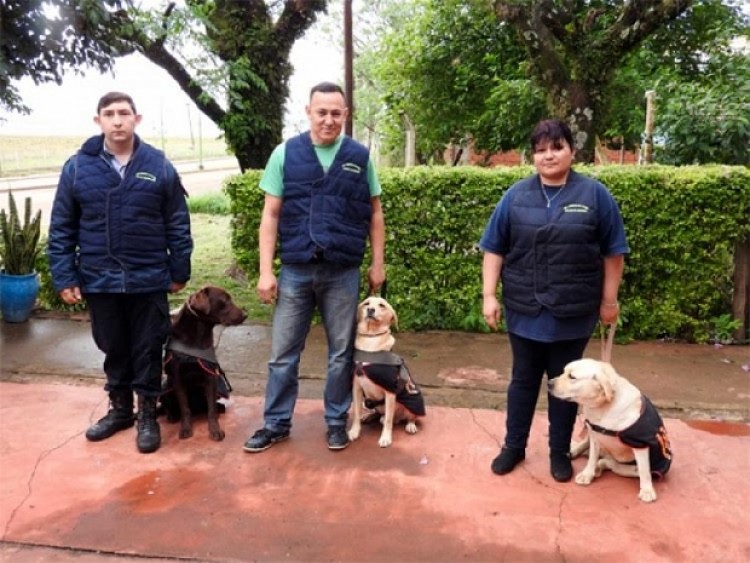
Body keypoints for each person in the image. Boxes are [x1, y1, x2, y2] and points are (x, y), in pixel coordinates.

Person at [479, 118, 629, 482]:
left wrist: (609, 302)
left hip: (573, 312)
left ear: (571, 151)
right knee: (523, 380)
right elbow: (494, 248)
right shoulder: (515, 196)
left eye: (557, 147)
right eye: (541, 150)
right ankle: (513, 446)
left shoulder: (595, 195)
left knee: (568, 386)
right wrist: (489, 296)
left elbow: (614, 253)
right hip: (524, 309)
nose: (549, 155)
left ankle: (559, 452)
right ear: (533, 156)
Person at [243, 81, 386, 453]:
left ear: (345, 115)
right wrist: (265, 271)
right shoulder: (285, 154)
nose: (328, 120)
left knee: (341, 353)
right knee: (282, 354)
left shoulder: (359, 157)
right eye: (321, 112)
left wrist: (378, 263)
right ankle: (275, 423)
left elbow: (375, 213)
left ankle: (336, 421)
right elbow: (270, 214)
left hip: (343, 271)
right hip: (296, 270)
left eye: (336, 113)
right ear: (308, 112)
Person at [48, 91, 193, 454]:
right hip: (100, 278)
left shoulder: (158, 165)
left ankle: (147, 414)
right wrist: (65, 276)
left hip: (149, 278)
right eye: (109, 113)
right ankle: (121, 410)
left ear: (136, 119)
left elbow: (177, 222)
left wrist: (179, 269)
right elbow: (62, 227)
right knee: (113, 346)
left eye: (124, 113)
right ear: (98, 120)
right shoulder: (77, 168)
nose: (117, 120)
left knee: (148, 347)